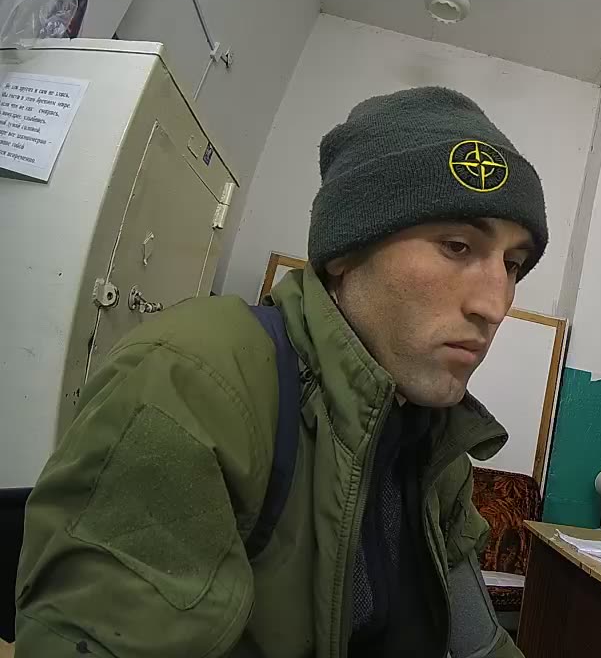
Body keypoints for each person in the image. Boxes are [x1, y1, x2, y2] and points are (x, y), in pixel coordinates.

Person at [14, 88, 544, 657]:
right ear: (345, 251)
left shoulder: (439, 441)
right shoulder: (192, 381)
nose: (495, 304)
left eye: (513, 265)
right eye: (457, 245)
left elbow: (476, 640)